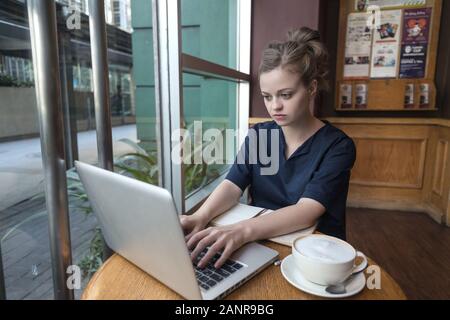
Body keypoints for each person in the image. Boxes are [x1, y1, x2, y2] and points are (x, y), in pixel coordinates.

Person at [180, 27, 356, 270]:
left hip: (315, 254)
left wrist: (241, 232)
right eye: (267, 96)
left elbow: (308, 211)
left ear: (312, 88)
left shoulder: (337, 146)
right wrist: (201, 216)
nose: (275, 106)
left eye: (286, 94)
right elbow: (232, 186)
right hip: (260, 241)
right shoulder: (260, 135)